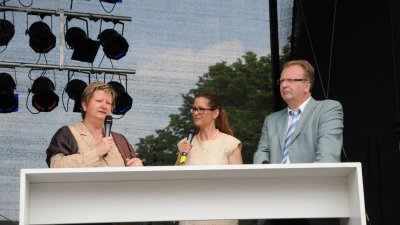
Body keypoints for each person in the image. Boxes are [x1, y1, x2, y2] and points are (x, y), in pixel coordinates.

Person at [254, 60, 343, 225]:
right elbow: (262, 151)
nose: (284, 85)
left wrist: (314, 171)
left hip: (312, 199)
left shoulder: (328, 108)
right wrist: (265, 168)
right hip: (274, 203)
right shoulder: (271, 120)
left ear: (307, 85)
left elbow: (328, 150)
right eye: (281, 80)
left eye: (291, 80)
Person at [176, 91, 242, 225]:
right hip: (190, 216)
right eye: (194, 109)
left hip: (221, 215)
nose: (195, 112)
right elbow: (177, 178)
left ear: (215, 113)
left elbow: (238, 184)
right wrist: (180, 157)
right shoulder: (185, 144)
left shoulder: (230, 144)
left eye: (201, 109)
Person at [46, 82, 143, 168]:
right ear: (84, 105)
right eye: (99, 101)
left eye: (108, 103)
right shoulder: (67, 133)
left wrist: (137, 165)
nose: (104, 106)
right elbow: (56, 165)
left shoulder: (120, 139)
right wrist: (96, 153)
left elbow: (132, 172)